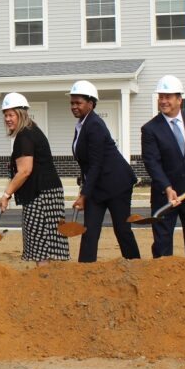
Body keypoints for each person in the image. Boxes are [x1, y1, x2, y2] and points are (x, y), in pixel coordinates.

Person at [140, 75, 185, 258]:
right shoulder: (150, 129)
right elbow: (152, 162)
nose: (163, 101)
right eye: (161, 97)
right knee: (162, 243)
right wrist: (167, 187)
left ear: (179, 99)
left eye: (168, 97)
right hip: (166, 195)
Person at [69, 80, 141, 263]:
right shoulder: (82, 124)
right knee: (90, 230)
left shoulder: (94, 125)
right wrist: (84, 188)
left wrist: (84, 195)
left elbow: (96, 164)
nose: (74, 106)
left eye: (78, 103)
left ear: (91, 103)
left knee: (122, 228)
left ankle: (136, 266)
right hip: (97, 185)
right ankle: (85, 270)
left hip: (117, 184)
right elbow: (87, 165)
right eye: (72, 102)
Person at [0, 93, 69, 265]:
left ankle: (44, 281)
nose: (7, 119)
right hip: (48, 193)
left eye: (11, 114)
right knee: (49, 242)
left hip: (41, 196)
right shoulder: (31, 131)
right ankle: (49, 281)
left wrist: (6, 195)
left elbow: (24, 171)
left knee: (41, 244)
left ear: (21, 114)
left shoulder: (25, 136)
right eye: (5, 115)